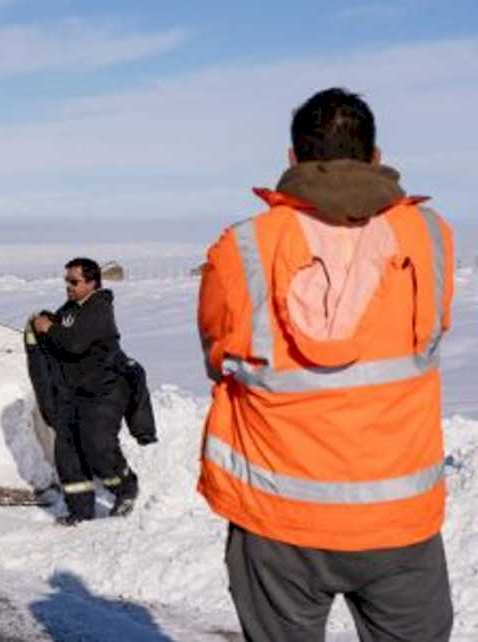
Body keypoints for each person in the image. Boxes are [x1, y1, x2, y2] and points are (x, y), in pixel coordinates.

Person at [197, 88, 455, 641]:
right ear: (376, 154)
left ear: (292, 159)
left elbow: (218, 355)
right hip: (400, 520)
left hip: (277, 521)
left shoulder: (243, 248)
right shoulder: (430, 237)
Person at [32, 257, 155, 526]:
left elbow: (74, 342)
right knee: (68, 452)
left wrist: (49, 328)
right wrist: (45, 324)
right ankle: (80, 510)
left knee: (97, 445)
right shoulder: (71, 308)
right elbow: (60, 335)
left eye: (74, 281)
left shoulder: (99, 308)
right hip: (76, 393)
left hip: (105, 390)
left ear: (92, 282)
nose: (68, 286)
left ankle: (126, 488)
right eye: (66, 280)